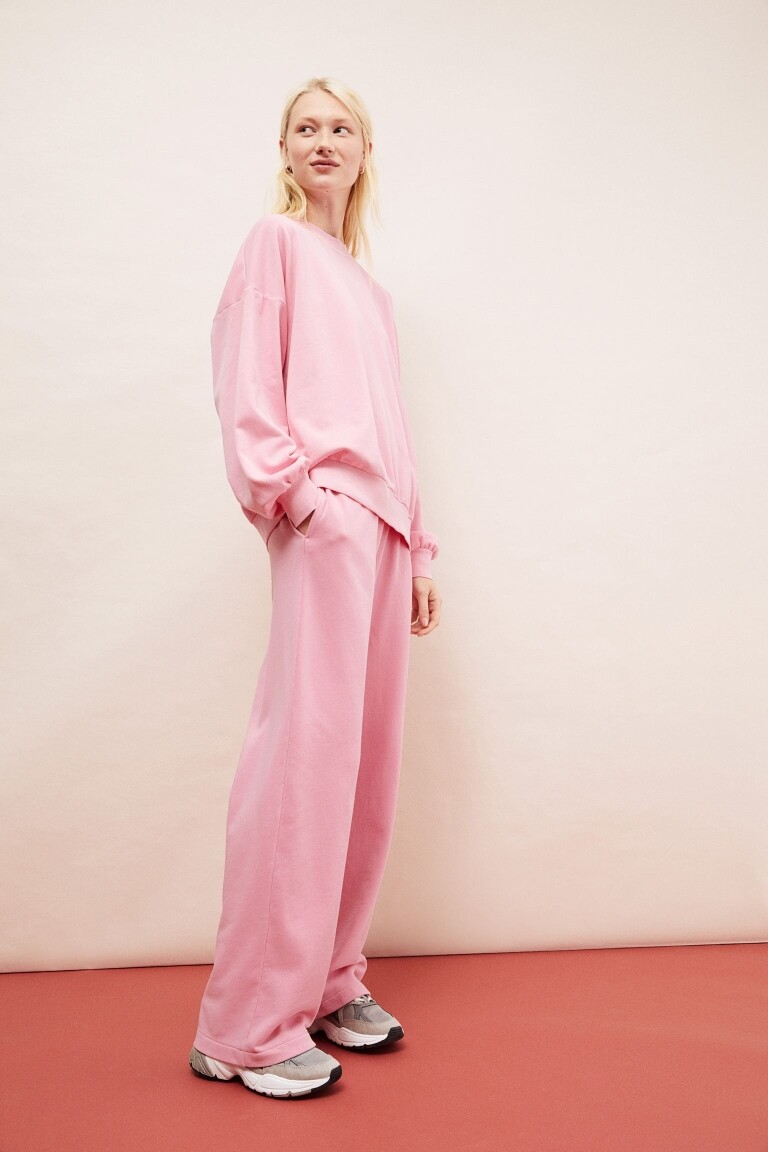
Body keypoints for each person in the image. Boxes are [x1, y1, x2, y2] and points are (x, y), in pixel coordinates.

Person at [188, 76, 441, 1099]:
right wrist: (293, 496)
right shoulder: (275, 244)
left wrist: (419, 547)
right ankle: (246, 1026)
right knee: (303, 762)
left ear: (364, 151)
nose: (323, 140)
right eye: (306, 127)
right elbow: (246, 374)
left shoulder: (369, 291)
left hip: (383, 532)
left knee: (364, 768)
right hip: (326, 513)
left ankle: (331, 981)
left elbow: (392, 423)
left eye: (342, 128)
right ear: (285, 149)